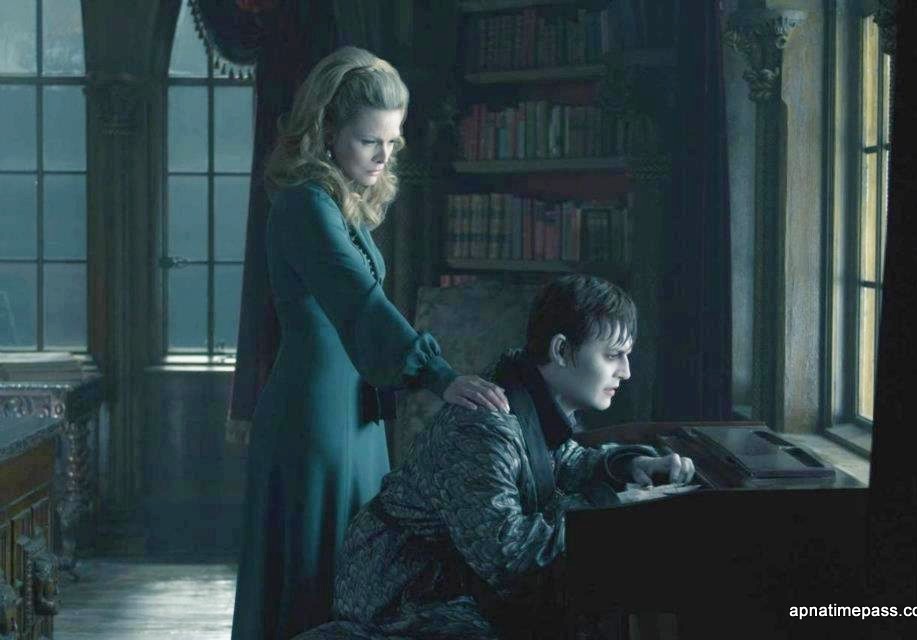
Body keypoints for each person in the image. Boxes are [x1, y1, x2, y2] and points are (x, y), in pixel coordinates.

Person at [230, 46, 511, 640]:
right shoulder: (306, 205)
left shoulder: (339, 204)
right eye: (369, 141)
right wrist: (440, 376)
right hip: (314, 421)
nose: (384, 156)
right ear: (327, 132)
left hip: (354, 415)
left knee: (355, 569)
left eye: (392, 141)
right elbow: (359, 302)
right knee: (321, 573)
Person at [295, 275, 696, 640]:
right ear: (561, 350)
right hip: (403, 592)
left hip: (452, 581)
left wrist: (630, 465)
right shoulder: (486, 425)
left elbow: (559, 461)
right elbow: (507, 555)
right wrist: (608, 507)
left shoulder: (529, 393)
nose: (625, 371)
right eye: (613, 355)